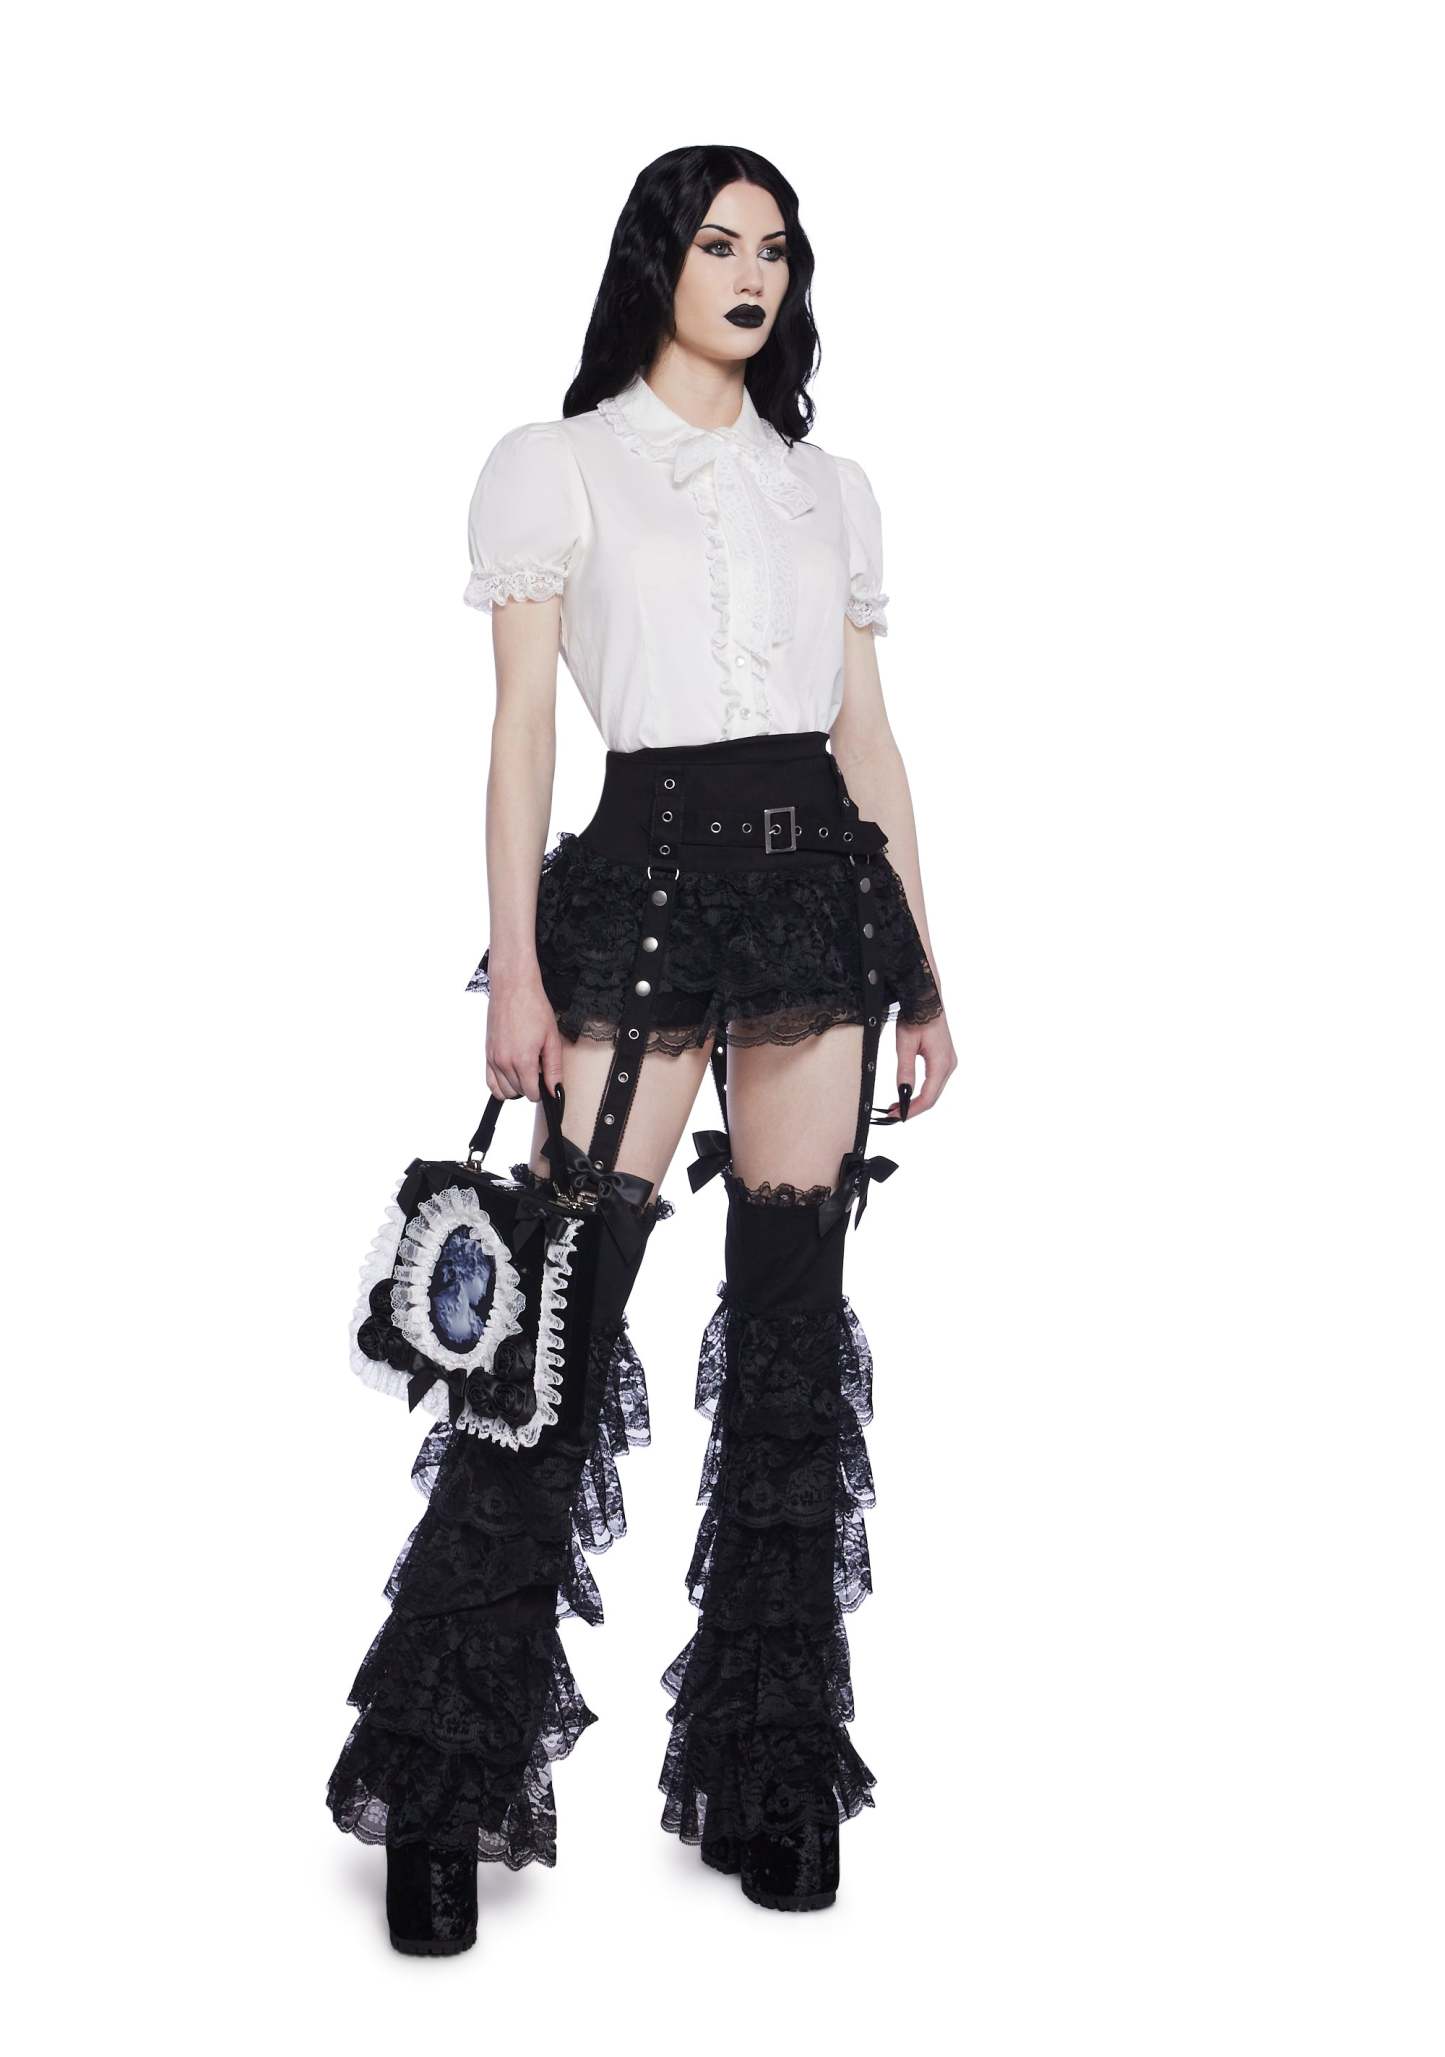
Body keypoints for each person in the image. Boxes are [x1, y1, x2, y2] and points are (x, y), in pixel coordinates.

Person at [327, 142, 956, 1953]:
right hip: (644, 888)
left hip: (817, 898)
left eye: (778, 248)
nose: (753, 273)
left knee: (791, 1334)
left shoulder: (829, 489)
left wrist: (925, 972)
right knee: (554, 1326)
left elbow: (870, 743)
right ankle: (441, 1782)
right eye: (720, 242)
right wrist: (515, 967)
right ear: (657, 263)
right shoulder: (561, 463)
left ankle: (770, 1769)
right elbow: (523, 731)